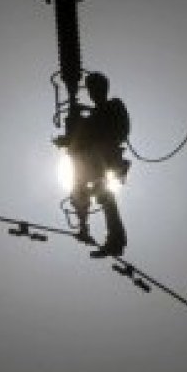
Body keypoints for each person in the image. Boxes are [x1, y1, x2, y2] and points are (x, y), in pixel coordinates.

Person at [61, 72, 131, 257]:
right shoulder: (93, 116)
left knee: (102, 193)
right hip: (92, 160)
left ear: (103, 89)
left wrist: (86, 125)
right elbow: (79, 137)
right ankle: (85, 228)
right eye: (91, 90)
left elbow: (120, 130)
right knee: (80, 188)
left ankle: (116, 239)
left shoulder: (113, 105)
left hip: (105, 157)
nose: (93, 93)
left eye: (95, 89)